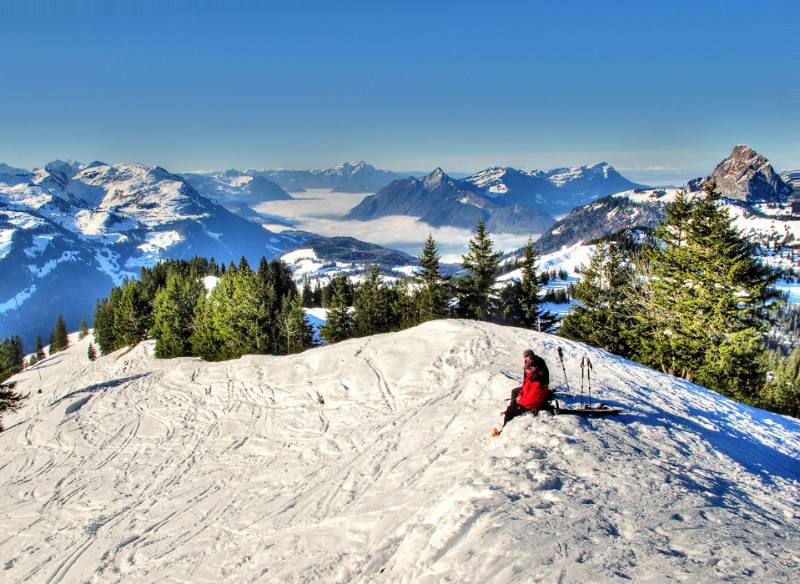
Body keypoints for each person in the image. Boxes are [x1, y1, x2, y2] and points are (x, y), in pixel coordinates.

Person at [494, 349, 550, 434]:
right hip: (531, 392)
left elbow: (533, 395)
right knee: (514, 392)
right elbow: (526, 386)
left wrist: (520, 401)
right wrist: (520, 394)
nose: (525, 359)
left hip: (531, 401)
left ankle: (504, 431)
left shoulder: (537, 377)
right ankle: (513, 406)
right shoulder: (533, 371)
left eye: (527, 357)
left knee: (510, 412)